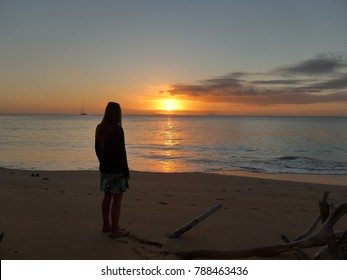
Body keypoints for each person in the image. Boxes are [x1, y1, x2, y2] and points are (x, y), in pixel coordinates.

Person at [95, 102, 130, 238]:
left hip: (104, 168)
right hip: (116, 170)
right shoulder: (117, 129)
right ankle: (115, 229)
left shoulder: (99, 127)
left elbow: (97, 149)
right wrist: (126, 172)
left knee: (107, 196)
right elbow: (122, 153)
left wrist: (102, 163)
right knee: (117, 198)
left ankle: (106, 225)